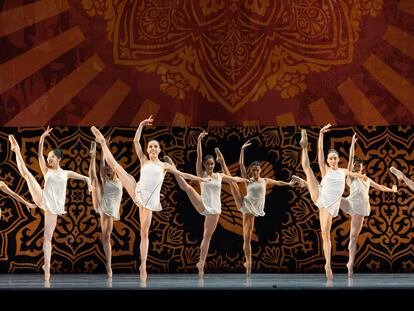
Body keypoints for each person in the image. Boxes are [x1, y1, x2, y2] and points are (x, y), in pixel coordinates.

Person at [91, 116, 208, 281]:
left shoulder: (164, 166)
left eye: (155, 147)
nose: (153, 148)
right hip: (136, 189)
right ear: (147, 150)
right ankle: (102, 142)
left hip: (149, 201)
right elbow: (136, 141)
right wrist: (140, 125)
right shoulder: (144, 160)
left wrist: (200, 179)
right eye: (151, 146)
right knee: (116, 167)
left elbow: (183, 174)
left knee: (144, 233)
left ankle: (143, 265)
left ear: (159, 150)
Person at [9, 127, 93, 281]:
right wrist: (42, 139)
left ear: (59, 159)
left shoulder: (66, 173)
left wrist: (89, 183)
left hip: (54, 208)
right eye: (49, 157)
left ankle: (46, 266)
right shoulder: (46, 170)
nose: (49, 159)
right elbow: (39, 154)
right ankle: (17, 151)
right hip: (42, 198)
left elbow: (85, 178)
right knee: (27, 174)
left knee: (47, 237)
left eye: (52, 157)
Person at [164, 130, 248, 278]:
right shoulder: (201, 174)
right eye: (207, 164)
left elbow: (234, 179)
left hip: (215, 210)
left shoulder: (219, 176)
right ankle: (173, 168)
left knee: (207, 236)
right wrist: (199, 141)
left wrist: (245, 180)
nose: (209, 166)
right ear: (204, 165)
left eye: (211, 164)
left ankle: (201, 263)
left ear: (214, 164)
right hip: (203, 204)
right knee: (188, 187)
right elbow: (199, 158)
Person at [215, 140, 297, 276]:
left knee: (246, 238)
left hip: (253, 210)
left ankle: (248, 263)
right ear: (251, 171)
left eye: (257, 170)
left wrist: (289, 184)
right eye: (253, 170)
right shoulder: (248, 180)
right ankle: (222, 160)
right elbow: (241, 164)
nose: (254, 172)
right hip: (245, 205)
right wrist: (242, 149)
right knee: (232, 182)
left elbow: (278, 182)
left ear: (260, 170)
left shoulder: (265, 180)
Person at [298, 124, 366, 280]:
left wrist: (353, 146)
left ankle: (304, 183)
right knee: (308, 169)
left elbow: (351, 162)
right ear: (328, 161)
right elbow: (320, 153)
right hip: (321, 198)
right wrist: (321, 134)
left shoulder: (343, 171)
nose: (333, 160)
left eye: (335, 158)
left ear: (338, 160)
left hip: (331, 205)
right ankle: (304, 146)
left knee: (326, 235)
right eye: (331, 158)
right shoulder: (325, 169)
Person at [340, 133, 397, 277]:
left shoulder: (366, 179)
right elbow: (350, 159)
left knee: (353, 236)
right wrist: (352, 145)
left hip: (360, 208)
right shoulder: (351, 177)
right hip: (350, 203)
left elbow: (380, 187)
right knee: (333, 197)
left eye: (358, 166)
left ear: (362, 168)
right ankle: (314, 188)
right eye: (354, 166)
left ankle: (350, 263)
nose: (356, 167)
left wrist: (393, 189)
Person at [88, 138, 123, 278]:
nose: (108, 171)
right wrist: (103, 147)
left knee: (106, 236)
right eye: (107, 170)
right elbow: (103, 163)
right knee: (95, 178)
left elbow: (135, 189)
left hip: (110, 208)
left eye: (110, 169)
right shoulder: (106, 179)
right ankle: (92, 156)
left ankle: (108, 263)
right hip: (102, 204)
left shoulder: (121, 181)